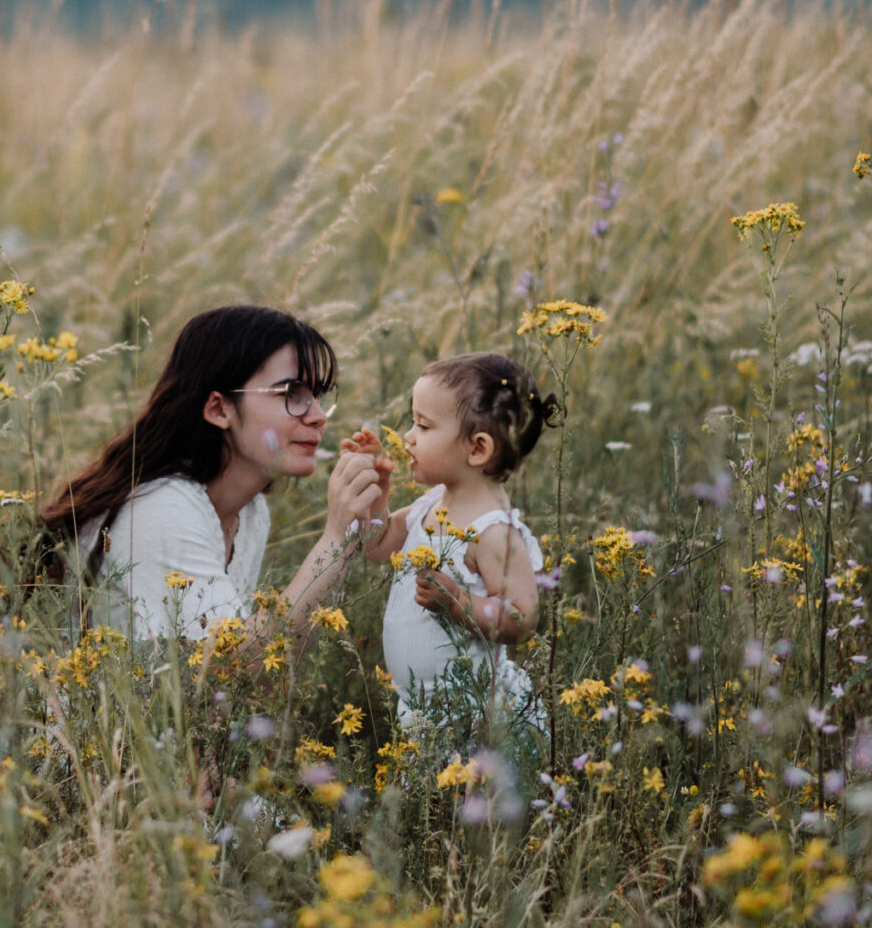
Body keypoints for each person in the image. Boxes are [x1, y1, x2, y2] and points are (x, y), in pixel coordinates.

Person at [39, 305, 390, 641]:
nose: (318, 416)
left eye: (317, 395)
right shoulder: (162, 510)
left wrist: (363, 526)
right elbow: (236, 670)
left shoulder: (250, 512)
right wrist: (335, 540)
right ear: (219, 409)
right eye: (290, 393)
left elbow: (223, 688)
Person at [352, 351, 558, 724]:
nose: (408, 438)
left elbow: (522, 618)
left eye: (424, 427)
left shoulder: (493, 531)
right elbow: (376, 544)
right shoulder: (430, 505)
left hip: (473, 714)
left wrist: (460, 602)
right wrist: (378, 490)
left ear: (477, 449)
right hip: (422, 712)